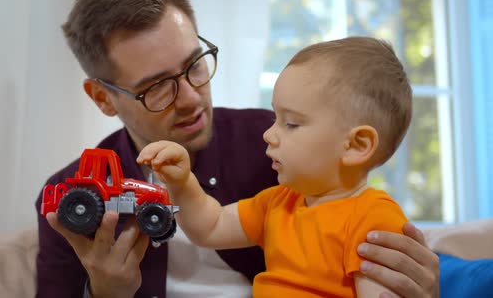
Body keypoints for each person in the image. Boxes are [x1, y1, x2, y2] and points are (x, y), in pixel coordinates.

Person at [35, 0, 439, 298]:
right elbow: (208, 223)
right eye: (158, 85)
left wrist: (414, 280)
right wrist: (108, 295)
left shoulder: (282, 149)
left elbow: (355, 217)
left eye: (195, 64)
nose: (192, 97)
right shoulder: (66, 196)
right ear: (103, 97)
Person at [138, 36, 414, 297]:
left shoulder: (374, 220)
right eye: (275, 118)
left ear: (356, 145)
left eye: (291, 123)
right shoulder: (279, 203)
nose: (269, 134)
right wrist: (182, 182)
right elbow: (210, 226)